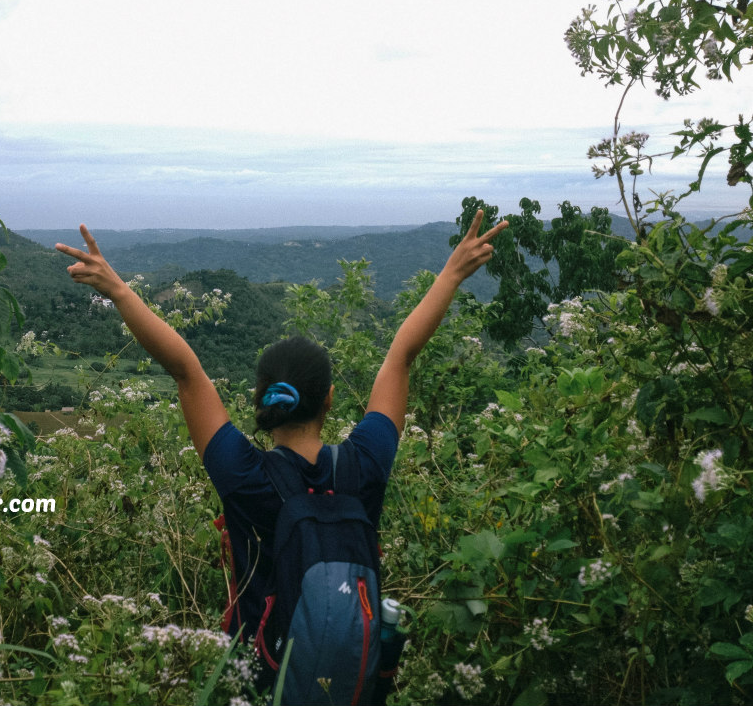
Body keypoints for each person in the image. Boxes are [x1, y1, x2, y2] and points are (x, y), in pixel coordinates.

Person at [54, 208, 508, 658]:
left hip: (265, 679)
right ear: (329, 399)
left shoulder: (244, 476)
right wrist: (451, 274)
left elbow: (185, 370)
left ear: (260, 402)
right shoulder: (364, 463)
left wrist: (117, 289)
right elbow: (401, 356)